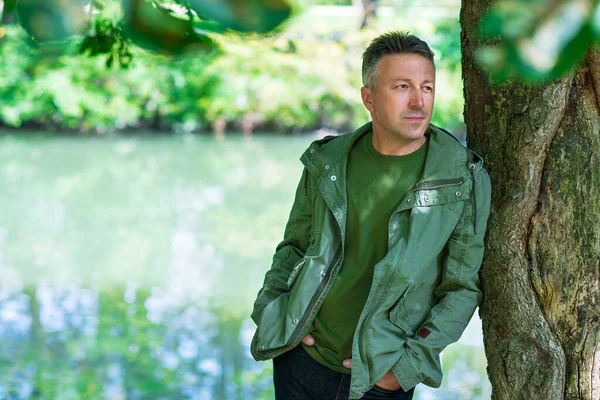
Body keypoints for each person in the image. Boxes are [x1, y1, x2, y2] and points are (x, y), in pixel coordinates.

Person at [250, 31, 492, 400]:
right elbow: (294, 248)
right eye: (402, 86)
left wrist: (404, 369)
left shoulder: (461, 178)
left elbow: (460, 290)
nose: (418, 102)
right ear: (369, 98)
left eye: (427, 88)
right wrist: (273, 313)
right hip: (301, 362)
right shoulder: (328, 160)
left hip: (380, 379)